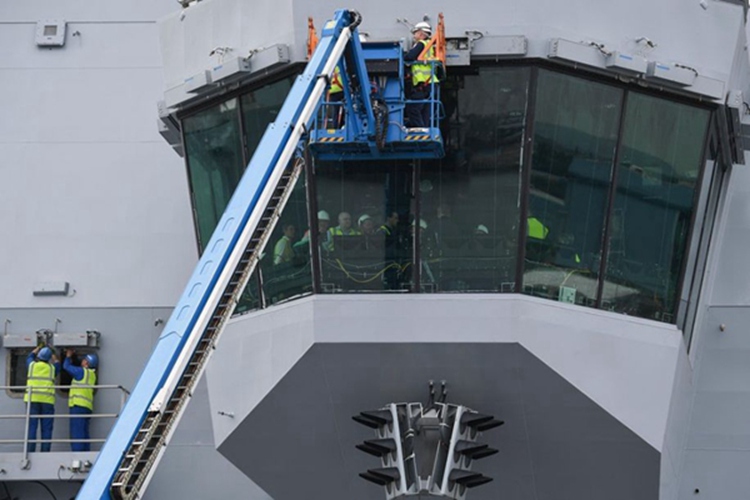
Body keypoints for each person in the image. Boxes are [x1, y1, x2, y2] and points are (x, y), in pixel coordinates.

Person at [404, 21, 440, 128]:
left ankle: (420, 129)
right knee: (425, 110)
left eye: (415, 33)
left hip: (423, 83)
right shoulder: (430, 46)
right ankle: (425, 129)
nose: (414, 36)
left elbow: (409, 57)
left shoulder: (421, 44)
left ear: (420, 33)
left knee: (413, 109)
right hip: (430, 83)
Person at [25, 345, 60, 452]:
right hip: (47, 401)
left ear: (39, 356)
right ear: (49, 358)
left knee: (32, 427)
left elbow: (30, 356)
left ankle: (30, 451)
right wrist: (53, 351)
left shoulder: (31, 366)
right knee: (47, 429)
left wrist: (39, 346)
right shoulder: (52, 369)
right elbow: (58, 363)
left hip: (32, 400)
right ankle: (45, 452)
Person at [63, 350, 98, 452]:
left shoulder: (81, 372)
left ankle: (77, 454)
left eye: (84, 360)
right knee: (84, 432)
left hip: (78, 406)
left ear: (87, 363)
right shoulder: (92, 375)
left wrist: (68, 356)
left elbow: (66, 367)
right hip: (87, 407)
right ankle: (85, 452)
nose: (82, 361)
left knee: (77, 432)